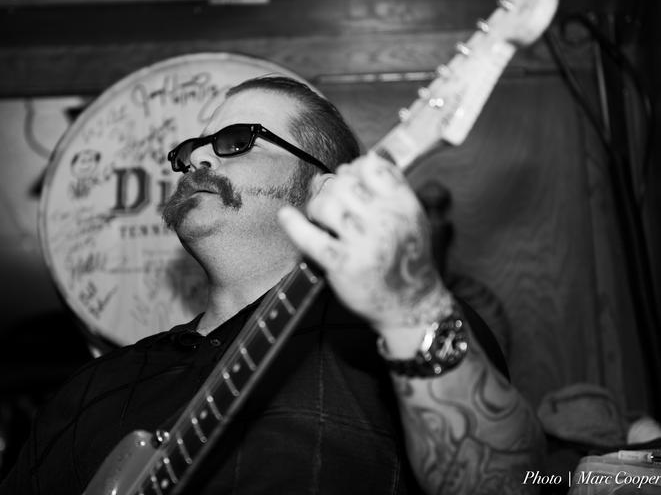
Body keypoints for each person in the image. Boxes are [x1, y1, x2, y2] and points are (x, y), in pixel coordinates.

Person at [0, 76, 544, 494]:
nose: (196, 158)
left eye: (236, 140)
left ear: (322, 188)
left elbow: (508, 484)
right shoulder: (93, 387)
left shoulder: (398, 334)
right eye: (190, 150)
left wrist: (411, 307)